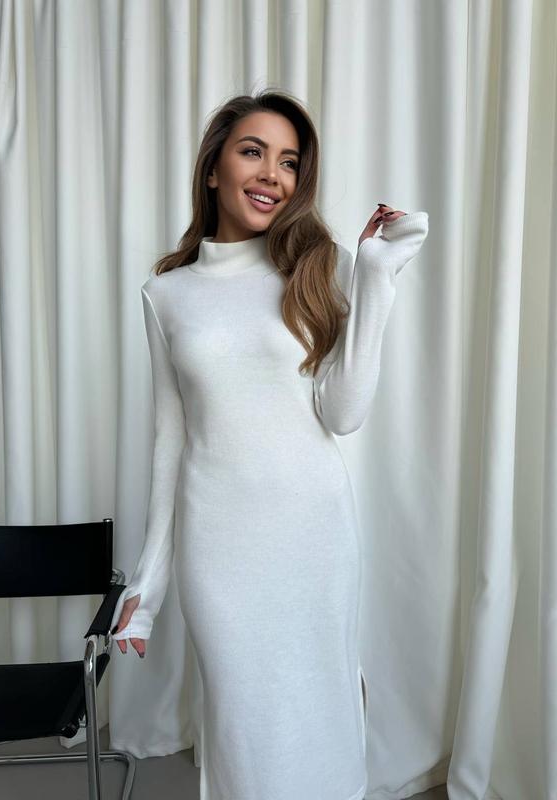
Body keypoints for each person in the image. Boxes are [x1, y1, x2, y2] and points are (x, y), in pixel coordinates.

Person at [111, 88, 429, 800]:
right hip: (219, 550)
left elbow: (342, 414)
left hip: (316, 538)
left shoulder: (319, 266)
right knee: (244, 730)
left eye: (289, 162)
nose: (272, 175)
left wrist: (375, 280)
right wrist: (148, 586)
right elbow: (170, 439)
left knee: (322, 719)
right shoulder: (167, 295)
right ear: (213, 169)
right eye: (253, 152)